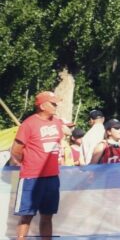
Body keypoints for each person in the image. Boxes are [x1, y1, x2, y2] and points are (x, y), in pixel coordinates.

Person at [11, 91, 65, 240]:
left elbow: (60, 141)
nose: (56, 106)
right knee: (26, 215)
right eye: (53, 103)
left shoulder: (56, 122)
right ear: (42, 106)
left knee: (48, 216)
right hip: (31, 177)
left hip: (52, 177)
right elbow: (16, 150)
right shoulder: (28, 124)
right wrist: (30, 162)